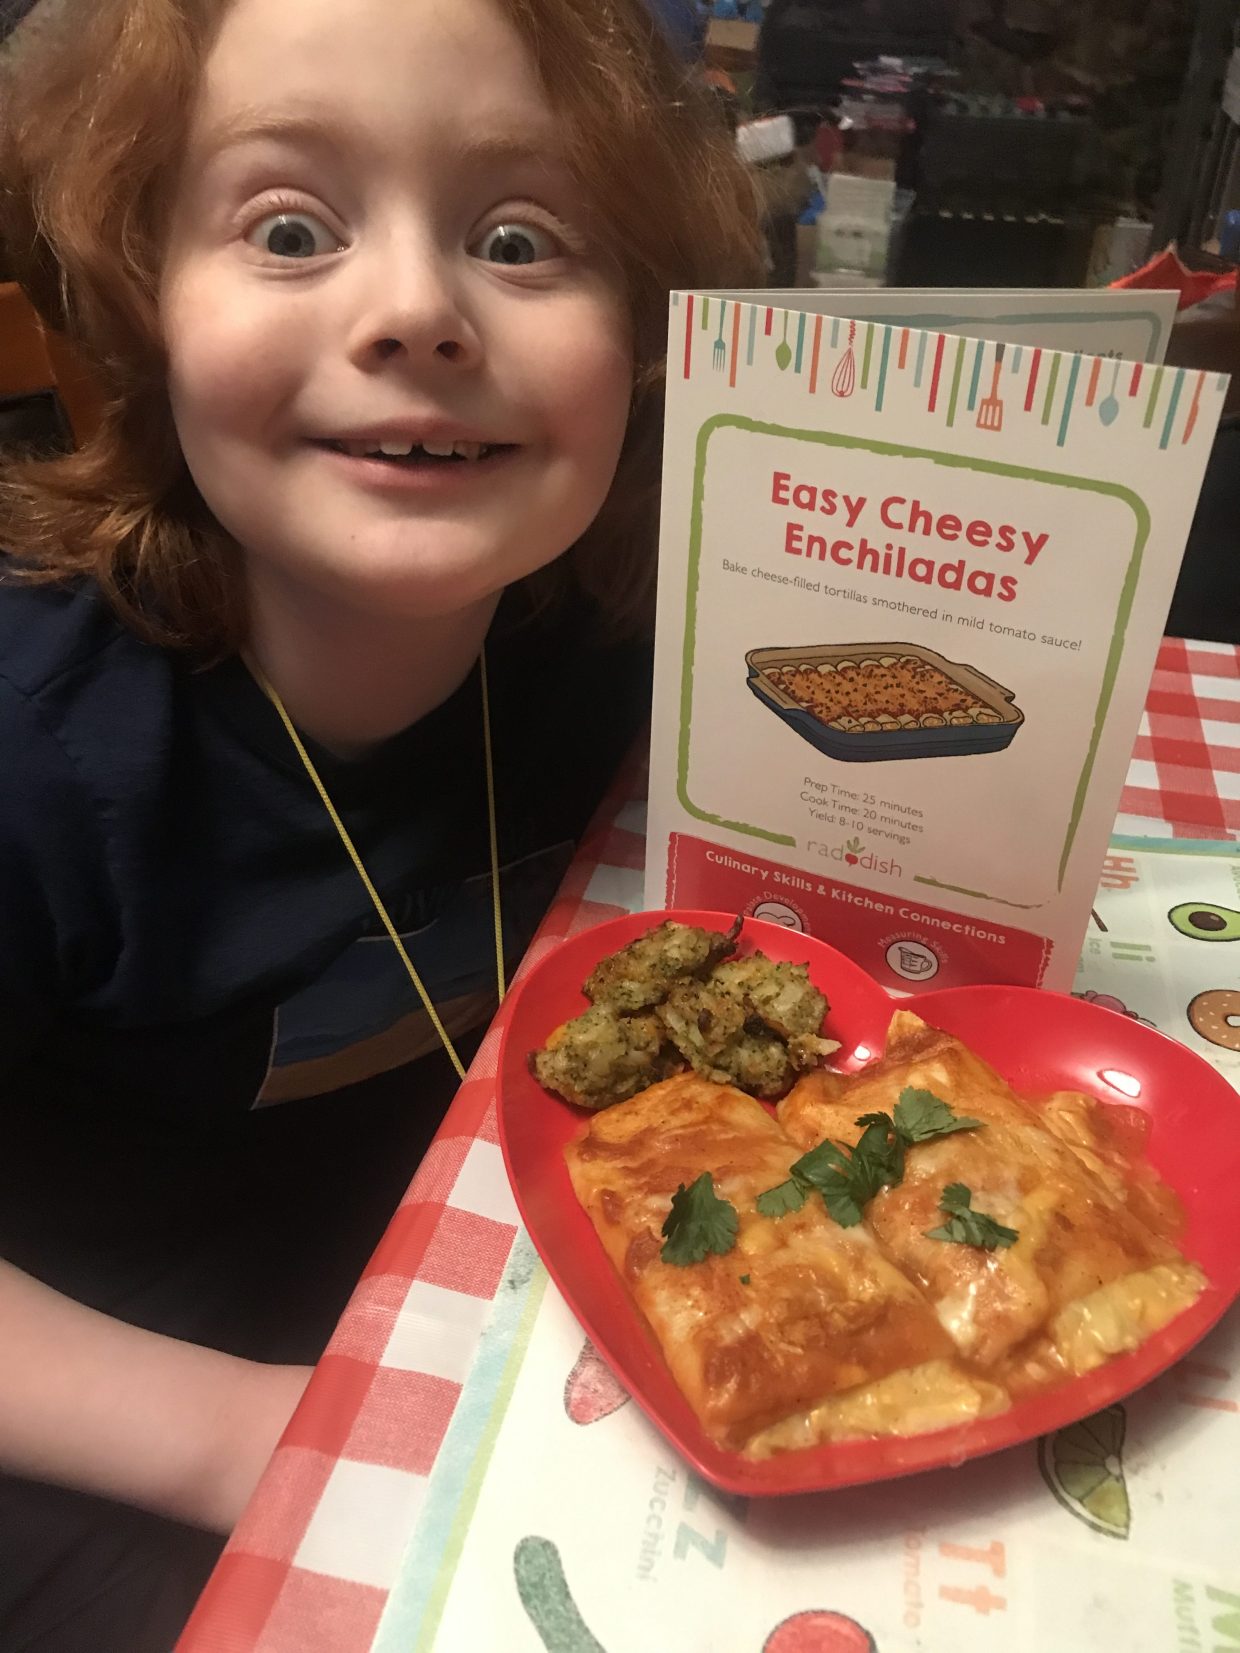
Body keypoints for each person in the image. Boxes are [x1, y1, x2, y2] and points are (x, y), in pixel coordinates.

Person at [0, 0, 762, 1645]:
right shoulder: (34, 748)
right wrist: (264, 1437)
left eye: (519, 238)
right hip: (98, 1428)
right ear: (143, 306)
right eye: (290, 230)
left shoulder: (607, 651)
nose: (416, 308)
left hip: (441, 1311)